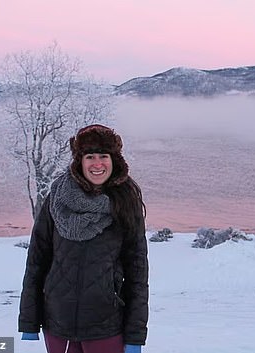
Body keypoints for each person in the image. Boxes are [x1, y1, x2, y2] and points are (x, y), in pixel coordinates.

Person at [18, 124, 149, 353]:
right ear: (79, 161)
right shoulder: (57, 197)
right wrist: (29, 321)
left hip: (106, 326)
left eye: (103, 156)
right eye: (90, 156)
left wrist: (135, 335)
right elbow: (37, 260)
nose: (97, 164)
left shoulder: (126, 202)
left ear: (114, 160)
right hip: (57, 322)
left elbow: (137, 273)